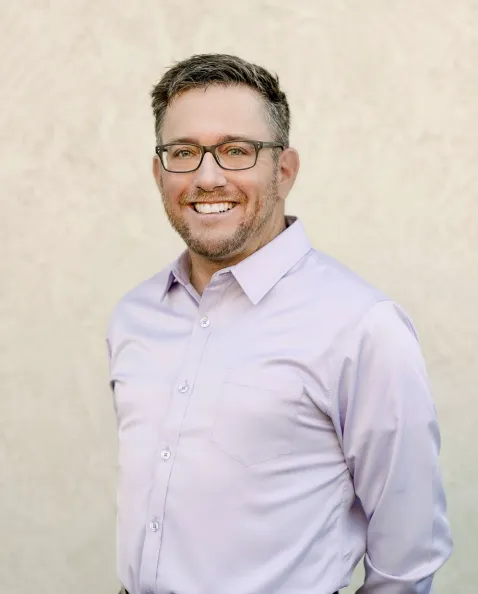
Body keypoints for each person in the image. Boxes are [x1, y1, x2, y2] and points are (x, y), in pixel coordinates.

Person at [106, 53, 452, 594]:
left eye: (237, 151)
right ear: (159, 172)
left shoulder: (361, 327)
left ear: (284, 170)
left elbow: (407, 561)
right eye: (183, 153)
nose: (207, 176)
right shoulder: (134, 315)